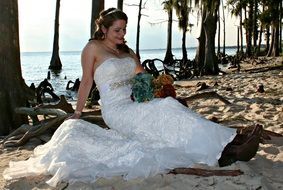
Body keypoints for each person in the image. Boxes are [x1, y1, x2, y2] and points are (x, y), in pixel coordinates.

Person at [3, 8, 262, 187]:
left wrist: (157, 87)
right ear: (103, 29)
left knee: (168, 106)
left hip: (134, 104)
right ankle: (227, 149)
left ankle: (229, 143)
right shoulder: (92, 49)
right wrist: (78, 111)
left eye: (124, 29)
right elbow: (86, 82)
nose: (122, 34)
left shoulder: (126, 51)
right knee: (166, 112)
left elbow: (143, 76)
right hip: (116, 111)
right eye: (117, 30)